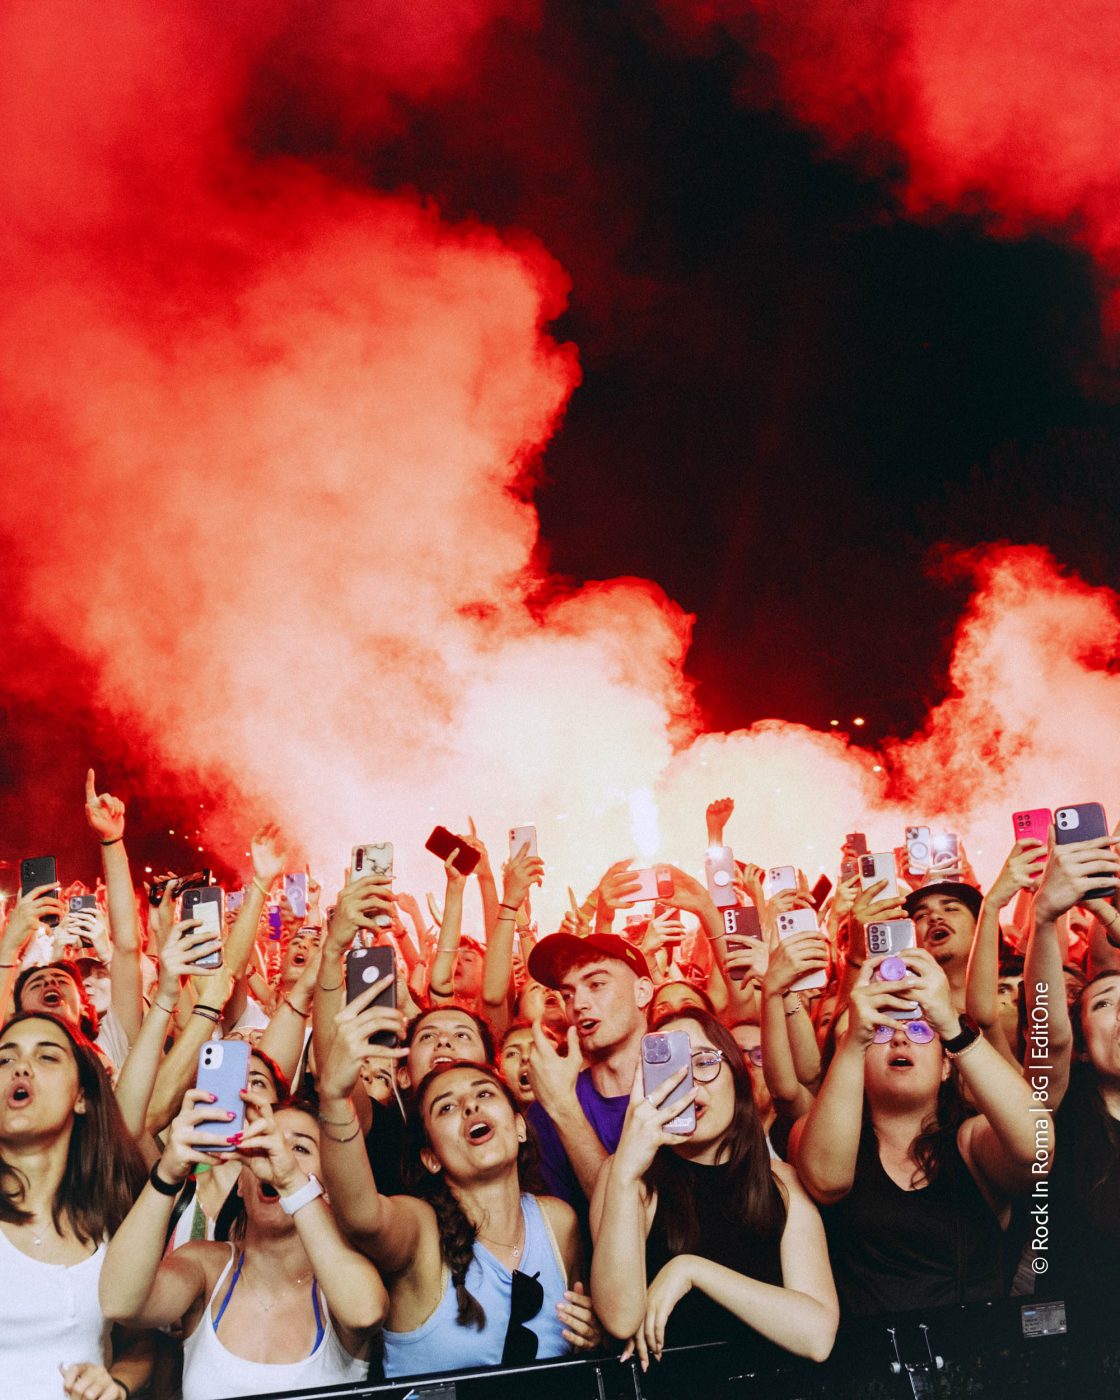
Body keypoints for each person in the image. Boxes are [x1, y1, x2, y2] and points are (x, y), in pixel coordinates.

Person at [316, 987, 600, 1377]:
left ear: (519, 1127)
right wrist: (335, 1098)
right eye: (446, 1107)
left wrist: (592, 1335)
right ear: (431, 1157)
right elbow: (361, 1216)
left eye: (484, 1093)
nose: (470, 1106)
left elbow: (580, 1333)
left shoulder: (558, 1222)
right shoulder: (420, 1227)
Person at [790, 948, 1048, 1316]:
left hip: (973, 1345)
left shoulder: (971, 1141)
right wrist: (855, 1039)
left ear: (946, 1067)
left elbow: (1038, 1147)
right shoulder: (815, 1131)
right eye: (882, 1031)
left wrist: (951, 1025)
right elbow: (827, 1181)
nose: (900, 1039)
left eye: (919, 1029)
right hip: (866, 1349)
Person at [590, 1008, 838, 1368]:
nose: (688, 1081)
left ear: (737, 1078)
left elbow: (817, 1336)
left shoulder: (781, 1182)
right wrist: (626, 1171)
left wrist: (692, 1271)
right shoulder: (627, 1178)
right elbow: (620, 1318)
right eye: (669, 1069)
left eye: (704, 1061)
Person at [100, 1089, 384, 1398]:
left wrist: (292, 1183)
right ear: (241, 1184)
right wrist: (167, 1174)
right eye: (264, 1143)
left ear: (328, 1188)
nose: (277, 1157)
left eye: (300, 1148)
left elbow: (365, 1313)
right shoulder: (207, 1267)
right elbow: (120, 1302)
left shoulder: (341, 1283)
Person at [0, 1011, 149, 1400]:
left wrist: (117, 1383)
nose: (20, 1068)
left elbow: (145, 1340)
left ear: (82, 1096)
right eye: (5, 1059)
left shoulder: (113, 1209)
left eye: (47, 1056)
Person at [525, 931, 654, 1205]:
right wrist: (560, 1106)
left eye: (596, 984)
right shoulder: (547, 1109)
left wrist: (564, 1109)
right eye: (568, 994)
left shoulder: (681, 1089)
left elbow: (653, 1223)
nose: (579, 1005)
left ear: (642, 992)